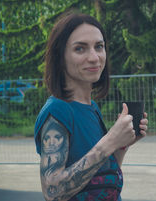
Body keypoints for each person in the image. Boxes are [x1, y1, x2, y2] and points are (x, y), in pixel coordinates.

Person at [34, 10, 148, 201]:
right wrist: (110, 140)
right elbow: (52, 192)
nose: (94, 57)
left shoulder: (92, 107)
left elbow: (102, 177)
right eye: (80, 48)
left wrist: (121, 145)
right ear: (60, 56)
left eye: (99, 46)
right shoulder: (57, 111)